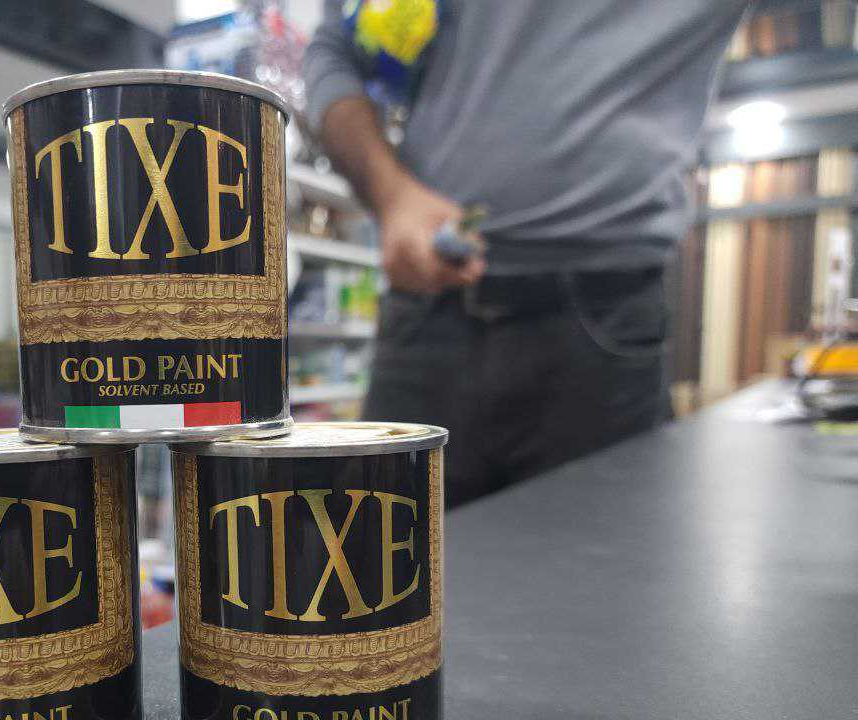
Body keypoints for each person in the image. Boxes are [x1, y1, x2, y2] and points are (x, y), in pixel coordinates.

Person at [304, 0, 750, 507]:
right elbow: (334, 50)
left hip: (602, 327)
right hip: (428, 315)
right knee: (378, 550)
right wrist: (392, 193)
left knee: (597, 554)